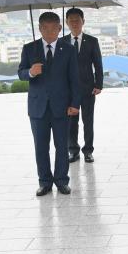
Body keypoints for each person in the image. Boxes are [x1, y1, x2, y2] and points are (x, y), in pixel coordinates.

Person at [17, 11, 81, 197]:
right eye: (45, 28)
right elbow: (20, 73)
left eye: (53, 28)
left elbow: (75, 79)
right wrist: (31, 72)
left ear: (60, 29)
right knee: (41, 146)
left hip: (62, 106)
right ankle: (44, 182)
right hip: (38, 108)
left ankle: (62, 181)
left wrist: (75, 104)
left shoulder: (68, 49)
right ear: (39, 28)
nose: (49, 32)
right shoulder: (30, 49)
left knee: (62, 146)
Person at [65, 8, 103, 164]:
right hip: (68, 91)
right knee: (71, 123)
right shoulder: (62, 42)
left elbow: (98, 64)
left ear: (83, 21)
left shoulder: (92, 41)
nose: (74, 23)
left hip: (88, 88)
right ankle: (73, 150)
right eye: (71, 20)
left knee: (88, 121)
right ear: (66, 22)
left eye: (77, 20)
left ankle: (88, 151)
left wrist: (98, 84)